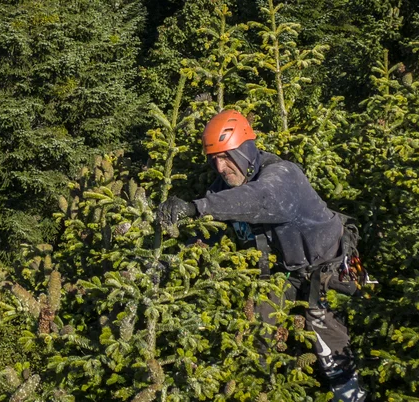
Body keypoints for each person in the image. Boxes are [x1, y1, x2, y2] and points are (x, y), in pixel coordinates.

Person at [157, 110, 366, 401]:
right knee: (258, 331)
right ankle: (262, 391)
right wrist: (168, 263)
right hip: (283, 274)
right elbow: (208, 232)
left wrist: (196, 207)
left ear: (244, 150)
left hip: (325, 267)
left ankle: (351, 396)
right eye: (213, 159)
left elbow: (260, 200)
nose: (220, 167)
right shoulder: (224, 188)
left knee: (328, 339)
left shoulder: (282, 175)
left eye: (225, 156)